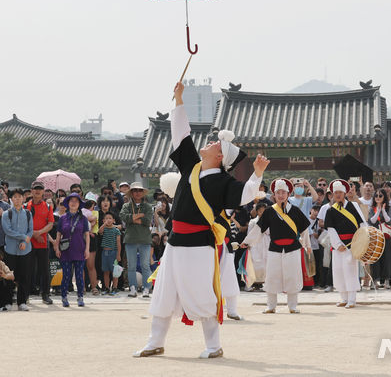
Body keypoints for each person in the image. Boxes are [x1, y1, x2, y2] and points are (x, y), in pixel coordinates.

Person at [134, 81, 267, 359]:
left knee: (201, 293)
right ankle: (155, 341)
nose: (210, 142)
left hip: (199, 245)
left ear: (220, 156)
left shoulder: (224, 181)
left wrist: (257, 174)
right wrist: (179, 100)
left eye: (215, 143)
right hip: (175, 243)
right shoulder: (190, 166)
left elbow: (246, 194)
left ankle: (213, 345)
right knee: (163, 292)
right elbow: (180, 133)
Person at [242, 178, 310, 314]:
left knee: (293, 276)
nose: (281, 195)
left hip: (293, 248)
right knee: (272, 277)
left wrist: (307, 245)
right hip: (274, 248)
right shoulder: (269, 211)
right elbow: (259, 229)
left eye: (283, 192)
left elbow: (304, 230)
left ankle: (292, 306)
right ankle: (271, 306)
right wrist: (247, 241)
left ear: (288, 194)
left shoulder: (295, 210)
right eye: (278, 193)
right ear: (274, 195)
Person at [324, 179, 367, 308]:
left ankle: (352, 299)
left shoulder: (353, 206)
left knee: (350, 271)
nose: (338, 195)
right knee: (338, 271)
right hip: (339, 246)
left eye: (340, 192)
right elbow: (330, 229)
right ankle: (343, 297)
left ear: (344, 193)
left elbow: (362, 224)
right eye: (335, 192)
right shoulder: (331, 210)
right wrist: (337, 244)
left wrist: (362, 242)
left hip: (352, 244)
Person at [55, 193, 90, 307]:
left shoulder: (83, 219)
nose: (74, 203)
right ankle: (64, 296)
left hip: (79, 249)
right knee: (66, 275)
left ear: (79, 204)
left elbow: (87, 235)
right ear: (68, 203)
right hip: (65, 250)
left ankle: (80, 296)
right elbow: (58, 234)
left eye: (76, 201)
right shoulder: (62, 218)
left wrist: (87, 249)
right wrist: (57, 248)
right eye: (71, 201)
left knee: (79, 275)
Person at [120, 182, 153, 298]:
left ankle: (146, 288)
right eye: (135, 190)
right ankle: (132, 288)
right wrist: (139, 216)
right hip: (130, 238)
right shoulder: (126, 206)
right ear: (131, 193)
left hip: (145, 239)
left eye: (140, 190)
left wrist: (133, 218)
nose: (137, 193)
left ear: (143, 193)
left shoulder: (148, 207)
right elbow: (124, 217)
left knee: (145, 265)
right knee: (131, 265)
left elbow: (147, 221)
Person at [2, 189, 33, 311]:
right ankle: (8, 302)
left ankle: (22, 302)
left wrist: (25, 241)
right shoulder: (6, 214)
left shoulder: (28, 213)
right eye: (15, 197)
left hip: (25, 250)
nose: (18, 199)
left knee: (24, 276)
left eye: (20, 197)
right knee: (9, 276)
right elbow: (7, 230)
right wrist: (23, 237)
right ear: (11, 199)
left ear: (23, 198)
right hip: (10, 249)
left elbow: (30, 230)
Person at [26, 182, 55, 305]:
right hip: (28, 243)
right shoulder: (25, 206)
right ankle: (25, 294)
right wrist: (34, 234)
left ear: (43, 191)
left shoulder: (48, 207)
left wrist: (39, 233)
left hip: (43, 243)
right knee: (27, 269)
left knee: (44, 270)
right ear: (31, 191)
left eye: (40, 189)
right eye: (35, 189)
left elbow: (50, 224)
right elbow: (23, 224)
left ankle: (45, 294)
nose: (37, 191)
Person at [368, 189, 391, 289]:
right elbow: (372, 221)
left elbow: (389, 221)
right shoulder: (372, 208)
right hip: (375, 236)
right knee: (375, 258)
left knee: (387, 258)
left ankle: (387, 280)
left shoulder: (389, 208)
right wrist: (378, 210)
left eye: (380, 196)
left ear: (384, 197)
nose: (378, 198)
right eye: (376, 196)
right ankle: (375, 280)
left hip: (386, 236)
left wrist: (383, 210)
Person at [98, 211, 122, 295]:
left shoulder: (116, 231)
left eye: (110, 218)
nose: (108, 220)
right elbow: (99, 231)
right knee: (106, 271)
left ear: (114, 220)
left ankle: (115, 287)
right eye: (106, 218)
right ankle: (107, 287)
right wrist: (104, 224)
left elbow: (118, 243)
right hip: (105, 252)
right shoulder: (104, 229)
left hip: (113, 252)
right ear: (103, 220)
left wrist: (118, 254)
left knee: (115, 271)